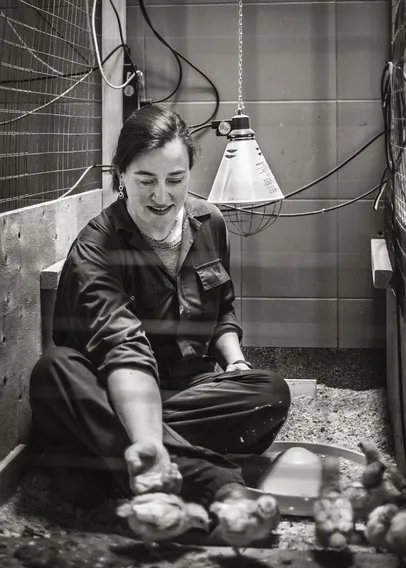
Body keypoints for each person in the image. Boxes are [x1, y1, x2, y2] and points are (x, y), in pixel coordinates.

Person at [29, 104, 291, 522]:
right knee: (55, 370)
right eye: (145, 180)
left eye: (175, 179)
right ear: (120, 177)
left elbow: (223, 309)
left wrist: (236, 364)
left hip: (190, 387)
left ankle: (106, 448)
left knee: (269, 391)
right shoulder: (95, 247)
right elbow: (124, 350)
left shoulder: (211, 222)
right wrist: (149, 438)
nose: (162, 196)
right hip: (114, 383)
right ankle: (204, 475)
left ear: (190, 173)